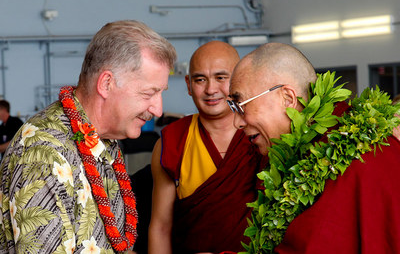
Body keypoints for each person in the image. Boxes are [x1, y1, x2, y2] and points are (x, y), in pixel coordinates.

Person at [0, 20, 177, 254]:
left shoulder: (104, 139)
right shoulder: (44, 151)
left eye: (160, 93)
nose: (158, 110)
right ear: (106, 84)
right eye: (148, 93)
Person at [228, 42, 400, 253]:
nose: (237, 122)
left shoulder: (352, 155)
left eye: (241, 105)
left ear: (287, 98)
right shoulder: (299, 152)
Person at [148, 41, 265, 254]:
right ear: (188, 84)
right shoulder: (173, 141)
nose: (211, 90)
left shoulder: (263, 133)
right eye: (200, 79)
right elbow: (161, 226)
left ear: (240, 78)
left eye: (221, 78)